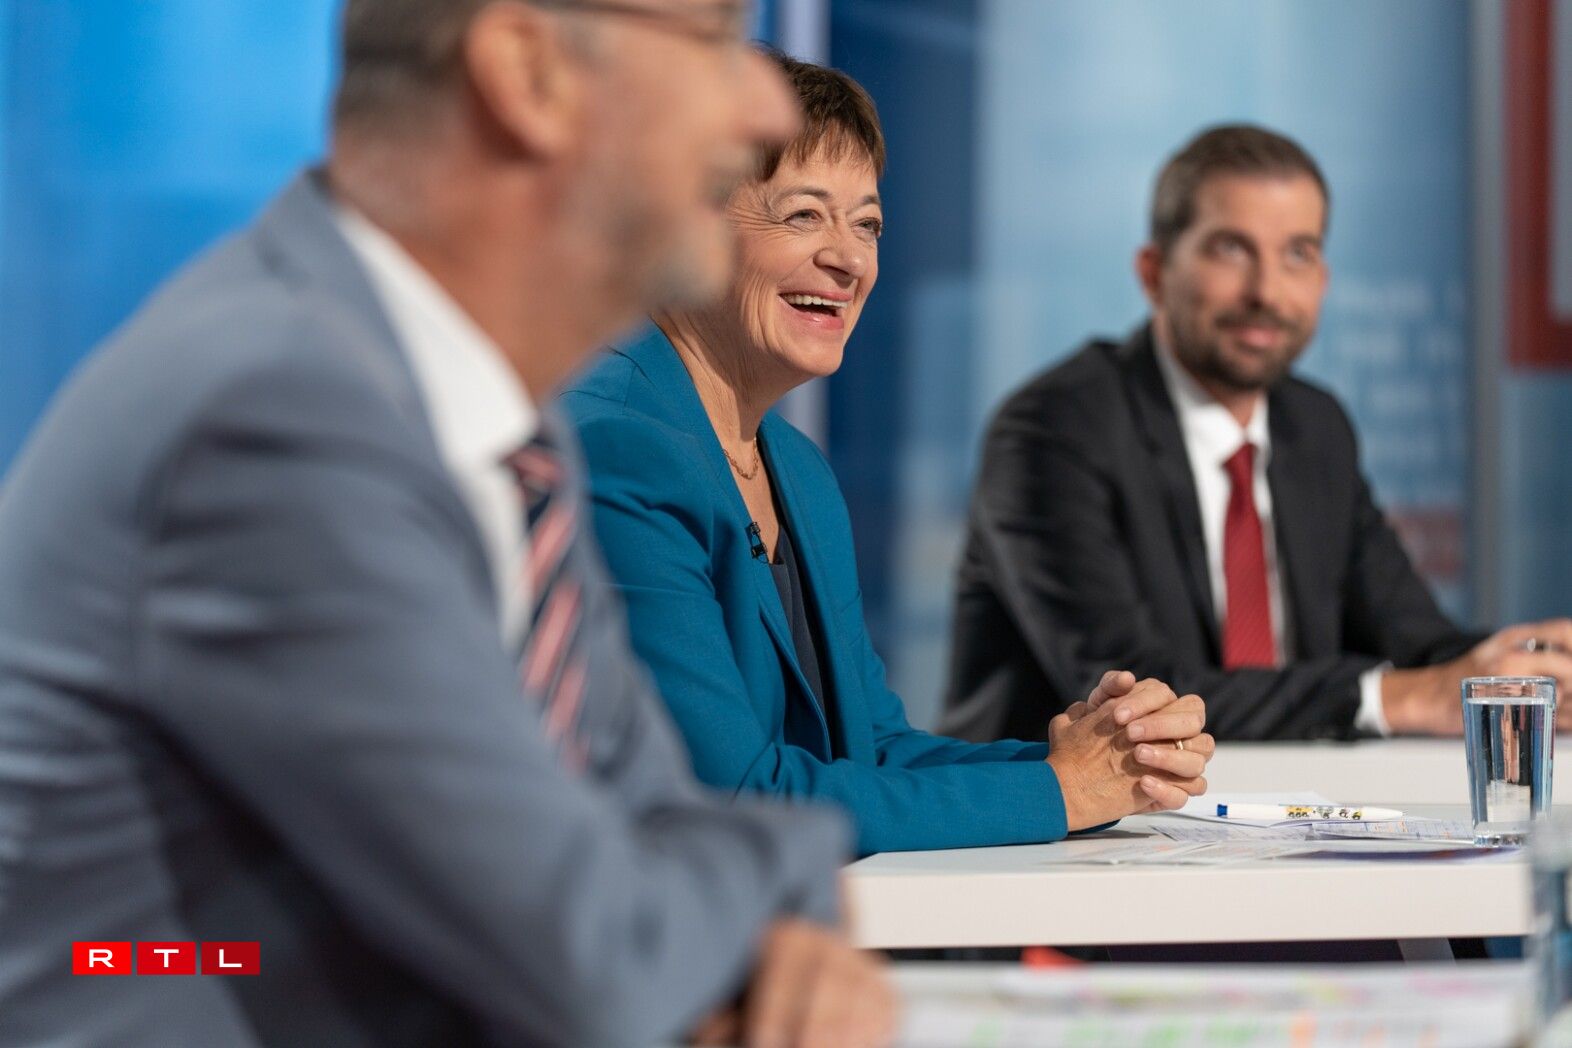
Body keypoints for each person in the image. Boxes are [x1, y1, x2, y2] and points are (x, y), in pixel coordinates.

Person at [0, 3, 896, 1046]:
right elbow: (590, 954)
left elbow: (659, 822)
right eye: (715, 45)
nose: (765, 107)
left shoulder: (500, 431)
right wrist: (782, 881)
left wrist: (747, 918)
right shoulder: (281, 411)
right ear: (527, 70)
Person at [562, 52, 1213, 858]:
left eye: (866, 224)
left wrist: (1098, 762)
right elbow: (729, 797)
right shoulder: (616, 446)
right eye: (805, 216)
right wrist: (1059, 791)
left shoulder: (796, 468)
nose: (849, 259)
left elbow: (869, 752)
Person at [942, 123, 1572, 744]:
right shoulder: (1052, 430)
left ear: (1322, 280)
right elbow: (1133, 699)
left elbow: (1421, 645)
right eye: (1231, 250)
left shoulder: (1316, 428)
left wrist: (1532, 670)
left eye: (1297, 254)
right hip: (1058, 810)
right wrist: (1398, 696)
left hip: (1281, 803)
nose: (1266, 292)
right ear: (1154, 273)